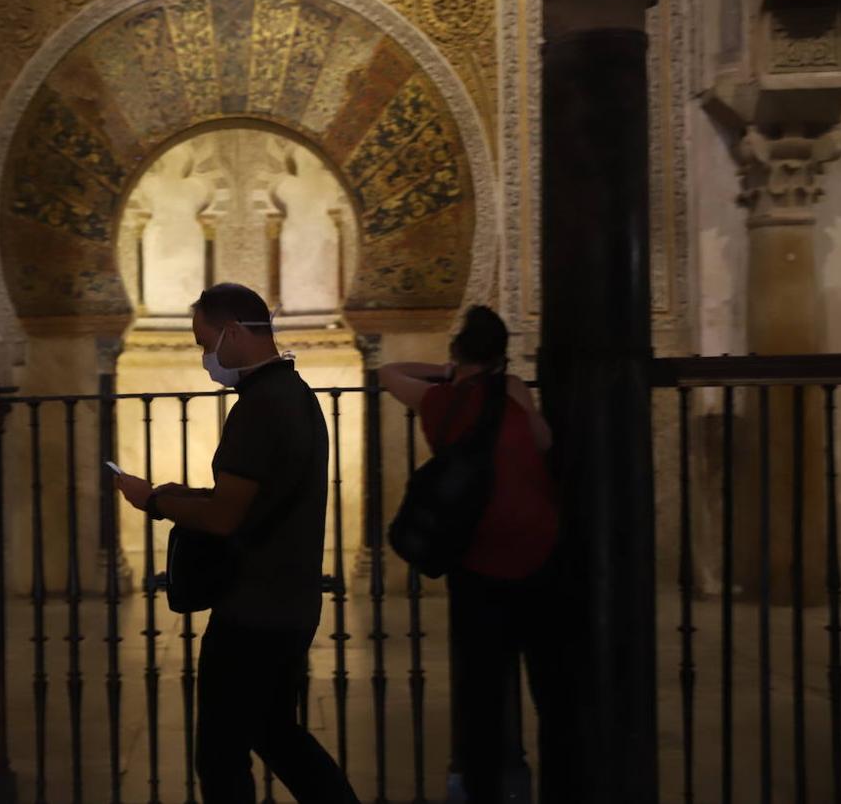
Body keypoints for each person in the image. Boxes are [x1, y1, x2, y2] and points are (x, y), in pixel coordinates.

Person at [115, 283, 360, 804]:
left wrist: (154, 499)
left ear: (232, 333)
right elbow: (252, 497)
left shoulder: (260, 408)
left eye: (206, 342)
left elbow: (226, 516)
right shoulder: (297, 396)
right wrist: (184, 496)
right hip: (290, 603)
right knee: (276, 733)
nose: (206, 357)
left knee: (221, 755)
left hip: (253, 609)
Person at [378, 305, 564, 804]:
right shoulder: (516, 393)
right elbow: (544, 441)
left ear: (459, 353)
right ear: (501, 356)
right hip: (539, 550)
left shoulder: (443, 404)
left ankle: (483, 787)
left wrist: (449, 374)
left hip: (478, 559)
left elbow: (387, 372)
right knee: (553, 687)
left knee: (481, 691)